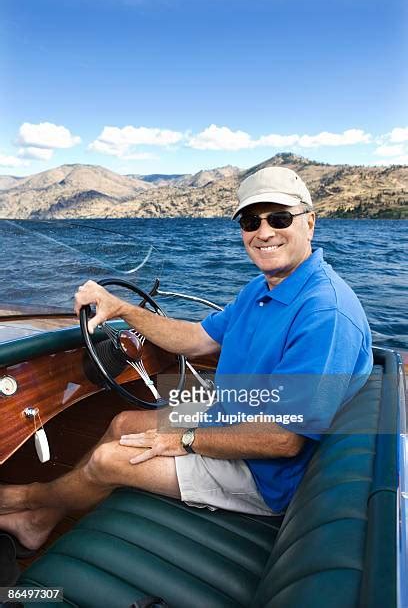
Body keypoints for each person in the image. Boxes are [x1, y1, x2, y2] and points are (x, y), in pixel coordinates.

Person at [0, 166, 373, 550]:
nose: (263, 233)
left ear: (309, 223)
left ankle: (34, 504)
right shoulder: (261, 290)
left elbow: (283, 440)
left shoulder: (324, 312)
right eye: (250, 220)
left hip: (266, 475)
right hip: (236, 415)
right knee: (124, 422)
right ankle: (42, 514)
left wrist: (187, 439)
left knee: (108, 460)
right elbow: (195, 339)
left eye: (279, 218)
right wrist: (122, 309)